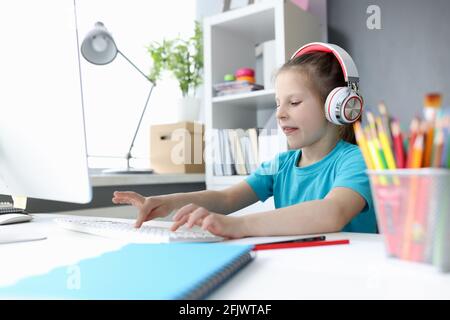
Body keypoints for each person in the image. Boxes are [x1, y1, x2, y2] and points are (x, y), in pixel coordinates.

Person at [112, 42, 377, 238]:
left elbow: (332, 213)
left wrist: (240, 225)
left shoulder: (355, 160)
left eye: (294, 102)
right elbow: (226, 199)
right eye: (277, 104)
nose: (281, 113)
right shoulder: (281, 164)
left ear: (338, 105)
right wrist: (168, 203)